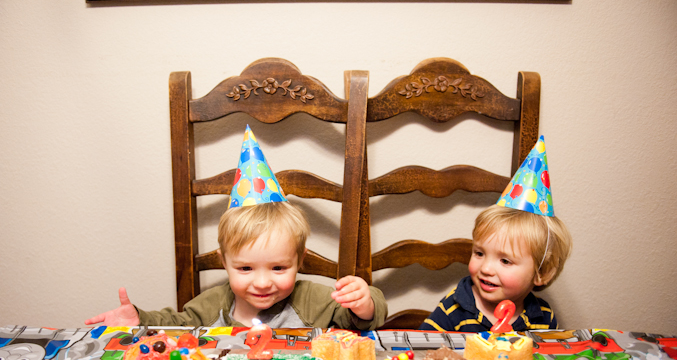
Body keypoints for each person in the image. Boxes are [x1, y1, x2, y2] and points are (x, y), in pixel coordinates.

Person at [85, 126, 387, 330]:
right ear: (224, 262)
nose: (262, 282)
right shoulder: (213, 304)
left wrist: (365, 303)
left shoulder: (314, 302)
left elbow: (365, 321)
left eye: (279, 268)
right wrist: (139, 320)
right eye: (245, 269)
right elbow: (177, 325)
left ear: (300, 259)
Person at [420, 136, 572, 332]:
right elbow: (422, 346)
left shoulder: (544, 318)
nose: (486, 268)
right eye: (479, 253)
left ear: (541, 272)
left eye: (505, 261)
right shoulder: (453, 309)